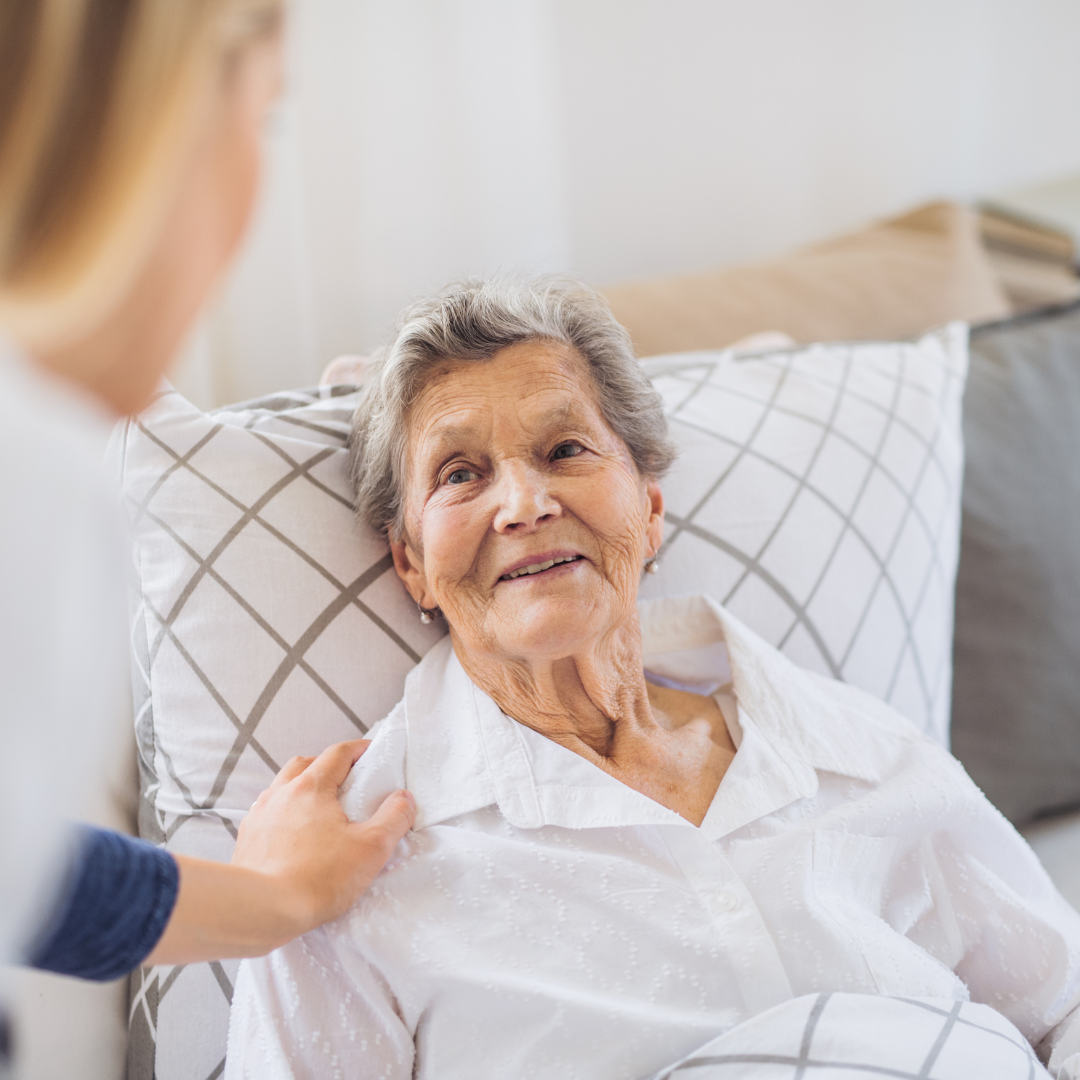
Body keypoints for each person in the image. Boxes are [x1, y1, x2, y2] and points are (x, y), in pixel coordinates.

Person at [225, 277, 1080, 1080]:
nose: (523, 504)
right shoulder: (342, 864)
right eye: (460, 475)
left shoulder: (858, 752)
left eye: (565, 449)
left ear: (651, 509)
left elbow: (1065, 1005)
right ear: (411, 564)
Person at [0, 0, 416, 1039]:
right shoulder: (35, 473)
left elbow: (22, 862)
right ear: (149, 126)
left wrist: (275, 901)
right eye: (265, 114)